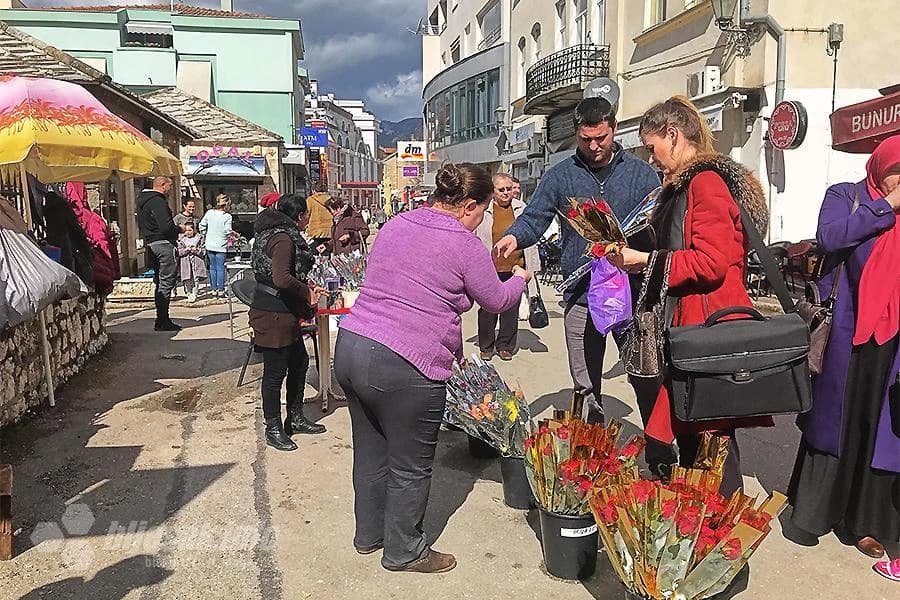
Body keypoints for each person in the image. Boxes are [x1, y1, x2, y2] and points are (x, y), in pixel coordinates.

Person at [333, 162, 531, 573]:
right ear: (470, 206)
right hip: (406, 362)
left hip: (353, 347)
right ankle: (404, 550)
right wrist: (520, 279)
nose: (479, 222)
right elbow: (495, 299)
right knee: (410, 464)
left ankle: (369, 535)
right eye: (481, 212)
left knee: (370, 452)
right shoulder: (464, 242)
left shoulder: (396, 225)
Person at [607, 96, 771, 497]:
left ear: (674, 135)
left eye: (653, 148)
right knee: (698, 437)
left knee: (712, 441)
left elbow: (711, 263)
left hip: (708, 328)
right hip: (695, 326)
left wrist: (646, 259)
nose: (652, 159)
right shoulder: (689, 184)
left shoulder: (706, 183)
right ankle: (704, 527)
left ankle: (722, 539)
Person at [495, 97, 661, 426]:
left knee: (644, 376)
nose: (594, 145)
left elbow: (661, 224)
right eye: (586, 139)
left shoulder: (642, 174)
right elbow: (534, 217)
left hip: (633, 294)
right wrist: (514, 237)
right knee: (585, 382)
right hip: (582, 293)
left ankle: (658, 446)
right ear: (576, 134)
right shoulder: (560, 177)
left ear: (614, 128)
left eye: (601, 137)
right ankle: (590, 453)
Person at [786, 134, 900, 580]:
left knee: (880, 428)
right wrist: (885, 206)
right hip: (845, 333)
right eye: (896, 170)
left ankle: (865, 522)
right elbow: (829, 236)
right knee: (834, 421)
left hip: (892, 341)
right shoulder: (847, 196)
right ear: (882, 168)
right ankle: (813, 512)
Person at [249, 193, 327, 451]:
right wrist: (307, 293)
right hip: (273, 313)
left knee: (300, 362)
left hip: (282, 310)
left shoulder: (271, 232)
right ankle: (273, 428)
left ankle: (294, 417)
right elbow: (282, 279)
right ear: (299, 216)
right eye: (306, 215)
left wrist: (304, 285)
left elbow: (283, 275)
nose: (307, 220)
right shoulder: (283, 239)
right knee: (274, 374)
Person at [474, 173, 540, 361]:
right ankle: (486, 346)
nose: (506, 193)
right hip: (490, 268)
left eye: (509, 189)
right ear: (493, 191)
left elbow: (531, 238)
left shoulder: (521, 209)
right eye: (501, 189)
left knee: (511, 310)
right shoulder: (484, 210)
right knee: (487, 309)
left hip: (515, 268)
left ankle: (505, 346)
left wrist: (533, 267)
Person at [136, 176, 181, 331]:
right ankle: (163, 320)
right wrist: (179, 229)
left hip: (151, 244)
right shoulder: (158, 201)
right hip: (163, 244)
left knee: (160, 282)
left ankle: (161, 318)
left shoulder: (142, 201)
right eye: (170, 186)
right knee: (166, 282)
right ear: (162, 185)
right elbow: (166, 227)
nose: (170, 189)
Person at [199, 194, 233, 299]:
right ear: (227, 204)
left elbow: (201, 225)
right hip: (221, 244)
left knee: (212, 268)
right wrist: (232, 236)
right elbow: (227, 230)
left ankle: (214, 290)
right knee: (220, 267)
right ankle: (221, 290)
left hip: (210, 243)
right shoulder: (227, 216)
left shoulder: (209, 213)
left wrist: (206, 234)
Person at [177, 221, 207, 303]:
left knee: (195, 277)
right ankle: (188, 292)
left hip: (196, 260)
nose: (188, 232)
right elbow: (178, 252)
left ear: (194, 230)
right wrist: (185, 250)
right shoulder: (181, 239)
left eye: (190, 230)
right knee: (186, 277)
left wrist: (196, 250)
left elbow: (203, 251)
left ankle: (195, 293)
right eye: (186, 230)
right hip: (185, 261)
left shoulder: (199, 238)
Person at [307, 182, 333, 255]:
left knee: (314, 255)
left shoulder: (310, 200)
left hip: (315, 232)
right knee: (327, 254)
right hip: (329, 231)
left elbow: (306, 215)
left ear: (314, 191)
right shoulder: (330, 200)